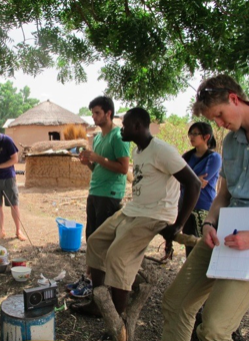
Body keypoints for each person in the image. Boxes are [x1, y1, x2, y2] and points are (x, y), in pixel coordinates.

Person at [70, 107, 201, 341]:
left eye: (126, 125)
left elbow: (193, 184)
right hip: (133, 210)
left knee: (118, 257)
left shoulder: (162, 150)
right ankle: (99, 304)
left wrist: (178, 224)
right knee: (96, 242)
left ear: (138, 126)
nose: (123, 129)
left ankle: (117, 322)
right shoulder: (140, 152)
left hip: (154, 214)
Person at [162, 75, 249, 341]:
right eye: (214, 119)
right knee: (175, 303)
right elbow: (224, 194)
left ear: (233, 98)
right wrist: (209, 222)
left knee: (214, 329)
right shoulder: (231, 142)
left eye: (219, 115)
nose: (219, 124)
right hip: (225, 231)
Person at [68, 96, 130, 297]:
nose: (93, 117)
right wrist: (89, 163)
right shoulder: (97, 137)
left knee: (101, 242)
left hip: (110, 195)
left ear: (108, 113)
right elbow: (98, 168)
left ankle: (99, 288)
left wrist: (97, 158)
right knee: (92, 239)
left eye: (97, 113)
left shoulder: (118, 136)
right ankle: (90, 279)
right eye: (92, 113)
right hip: (95, 192)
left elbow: (123, 168)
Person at [181, 122, 222, 256]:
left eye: (195, 134)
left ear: (206, 137)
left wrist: (188, 180)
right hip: (186, 207)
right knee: (189, 247)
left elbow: (200, 183)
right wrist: (191, 180)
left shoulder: (214, 158)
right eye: (190, 133)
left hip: (203, 208)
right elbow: (181, 180)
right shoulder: (186, 157)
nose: (191, 137)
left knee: (203, 248)